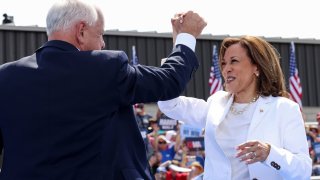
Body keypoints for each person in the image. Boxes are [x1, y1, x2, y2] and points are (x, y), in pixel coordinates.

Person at [0, 0, 207, 179]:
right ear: (81, 31)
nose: (103, 43)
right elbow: (169, 81)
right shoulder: (106, 68)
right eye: (99, 34)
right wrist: (186, 37)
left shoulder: (5, 77)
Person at [158, 36, 312, 179]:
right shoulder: (216, 103)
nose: (226, 69)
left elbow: (303, 170)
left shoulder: (284, 109)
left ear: (256, 68)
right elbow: (170, 104)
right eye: (224, 63)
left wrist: (269, 153)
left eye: (234, 61)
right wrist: (181, 42)